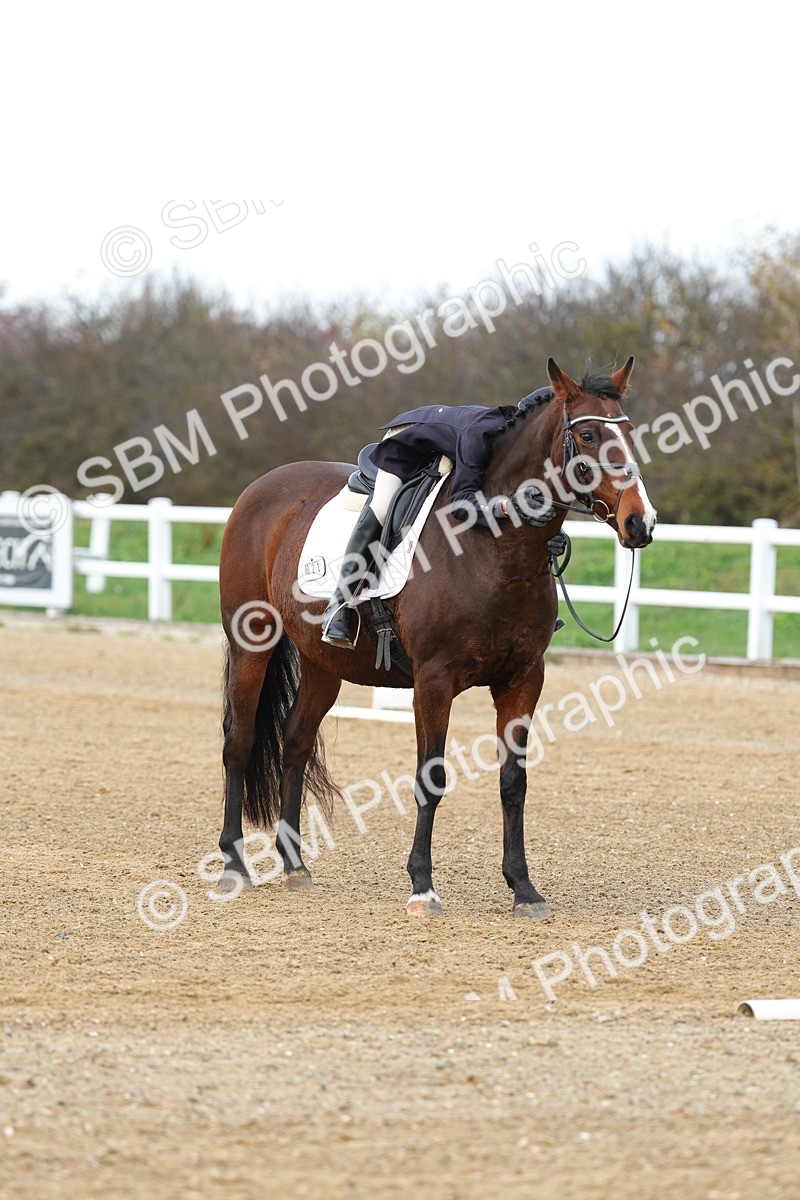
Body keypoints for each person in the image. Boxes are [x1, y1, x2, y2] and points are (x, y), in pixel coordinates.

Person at [321, 387, 555, 648]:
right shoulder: (479, 437)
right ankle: (338, 604)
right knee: (383, 507)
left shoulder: (516, 450)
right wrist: (506, 507)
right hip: (406, 440)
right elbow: (461, 505)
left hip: (447, 444)